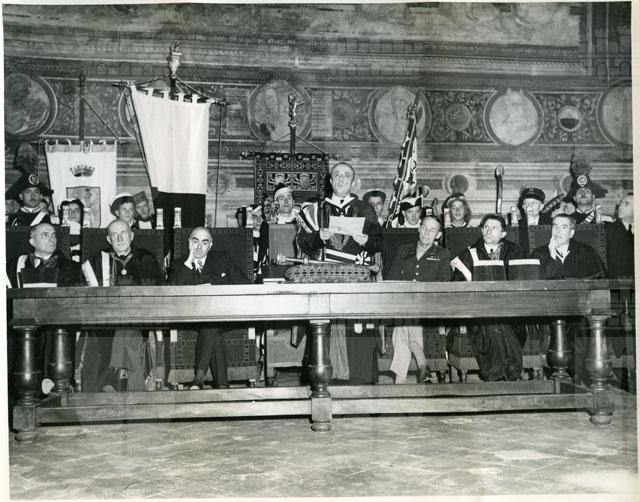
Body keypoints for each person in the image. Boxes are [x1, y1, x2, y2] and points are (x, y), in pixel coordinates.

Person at [297, 162, 383, 384]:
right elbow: (301, 243)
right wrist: (318, 237)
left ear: (353, 182)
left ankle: (360, 377)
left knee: (358, 329)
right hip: (325, 280)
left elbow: (379, 243)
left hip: (358, 280)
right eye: (337, 175)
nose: (342, 179)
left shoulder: (366, 209)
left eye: (346, 175)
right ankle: (326, 378)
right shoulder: (315, 210)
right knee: (325, 329)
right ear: (331, 180)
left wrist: (367, 240)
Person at [80, 219, 160, 391]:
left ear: (132, 235)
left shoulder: (147, 259)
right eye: (114, 234)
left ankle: (110, 379)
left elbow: (158, 290)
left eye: (123, 233)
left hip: (141, 315)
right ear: (108, 239)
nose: (119, 238)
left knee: (127, 328)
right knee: (120, 331)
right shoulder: (97, 260)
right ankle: (134, 387)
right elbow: (87, 294)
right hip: (106, 317)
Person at [7, 223, 85, 397]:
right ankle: (20, 395)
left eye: (54, 235)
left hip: (57, 325)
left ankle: (55, 392)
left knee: (55, 334)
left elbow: (73, 303)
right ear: (32, 241)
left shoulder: (71, 267)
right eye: (45, 234)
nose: (51, 238)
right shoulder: (15, 265)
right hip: (24, 323)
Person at [169, 226, 251, 389]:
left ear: (210, 245)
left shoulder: (222, 260)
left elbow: (246, 285)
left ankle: (199, 378)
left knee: (211, 324)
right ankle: (222, 387)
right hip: (191, 319)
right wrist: (189, 262)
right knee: (213, 332)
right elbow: (171, 292)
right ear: (189, 243)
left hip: (225, 316)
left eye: (204, 243)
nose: (199, 247)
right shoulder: (179, 264)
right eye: (195, 241)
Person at [530, 213, 606, 386]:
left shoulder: (585, 252)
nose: (557, 231)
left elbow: (600, 281)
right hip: (550, 308)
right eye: (555, 226)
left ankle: (576, 378)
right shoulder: (540, 253)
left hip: (579, 308)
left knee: (580, 325)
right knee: (558, 323)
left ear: (571, 232)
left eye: (563, 227)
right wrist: (551, 256)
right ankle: (560, 376)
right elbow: (536, 284)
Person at [450, 214, 525, 381]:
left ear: (503, 233)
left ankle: (495, 374)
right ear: (482, 230)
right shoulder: (469, 254)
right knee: (493, 322)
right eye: (486, 227)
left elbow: (522, 281)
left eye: (494, 228)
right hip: (479, 312)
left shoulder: (515, 251)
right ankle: (510, 372)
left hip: (510, 310)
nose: (489, 231)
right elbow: (456, 286)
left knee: (500, 320)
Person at [386, 215, 451, 384]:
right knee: (406, 318)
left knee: (404, 322)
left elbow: (443, 282)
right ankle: (422, 367)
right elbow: (391, 278)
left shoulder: (443, 254)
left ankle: (400, 380)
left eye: (432, 230)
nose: (427, 233)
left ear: (438, 235)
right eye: (424, 228)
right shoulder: (403, 250)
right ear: (419, 228)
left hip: (429, 304)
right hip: (403, 304)